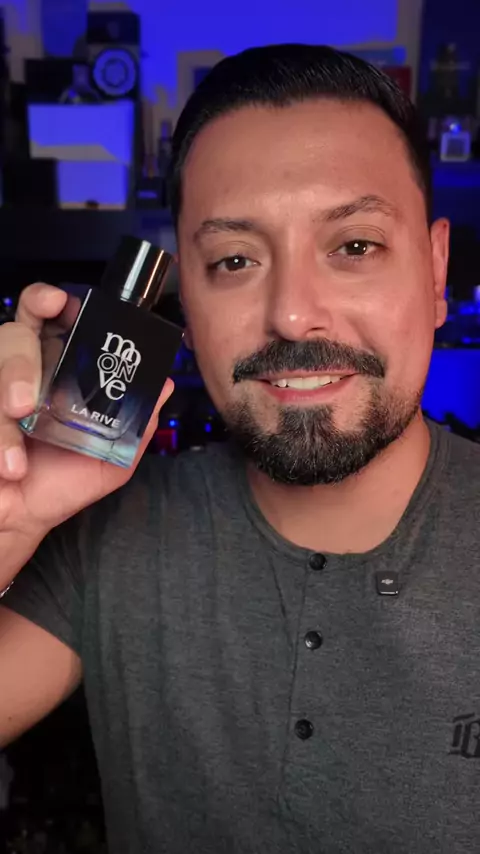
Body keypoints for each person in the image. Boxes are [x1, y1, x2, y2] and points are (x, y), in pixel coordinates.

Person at [0, 43, 478, 854]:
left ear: (436, 271)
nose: (292, 313)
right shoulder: (111, 535)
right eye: (233, 260)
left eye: (354, 246)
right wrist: (11, 521)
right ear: (184, 295)